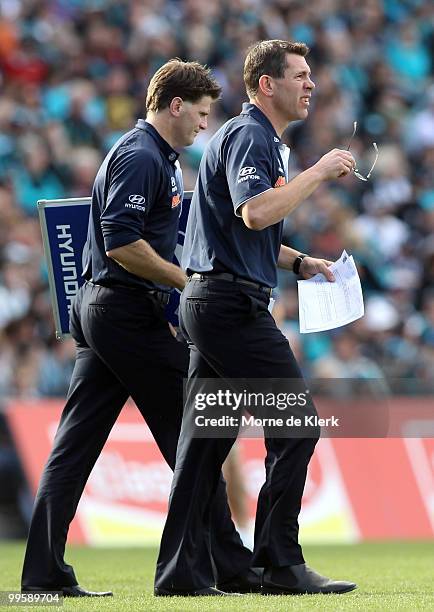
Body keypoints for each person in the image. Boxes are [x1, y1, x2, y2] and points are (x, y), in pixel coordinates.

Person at [21, 59, 254, 597]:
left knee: (74, 448)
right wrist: (185, 283)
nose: (203, 125)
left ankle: (42, 576)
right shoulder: (143, 155)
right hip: (125, 311)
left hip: (107, 310)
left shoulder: (157, 158)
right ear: (174, 105)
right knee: (197, 436)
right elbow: (122, 242)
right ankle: (223, 565)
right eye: (198, 113)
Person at [155, 40, 358, 596]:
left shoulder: (250, 138)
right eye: (299, 75)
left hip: (211, 299)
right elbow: (253, 212)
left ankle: (184, 572)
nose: (310, 84)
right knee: (298, 424)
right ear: (267, 85)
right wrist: (317, 172)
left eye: (311, 74)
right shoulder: (251, 136)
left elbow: (231, 223)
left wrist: (297, 261)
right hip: (230, 308)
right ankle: (279, 562)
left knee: (203, 447)